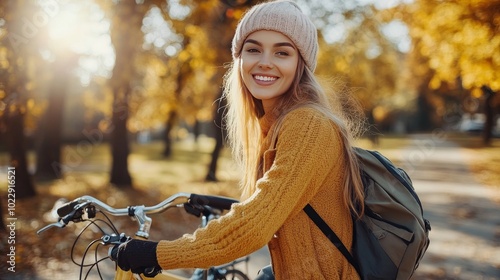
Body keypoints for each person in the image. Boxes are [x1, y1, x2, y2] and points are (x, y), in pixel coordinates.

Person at [115, 0, 366, 279]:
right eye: (253, 49)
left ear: (300, 65)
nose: (265, 62)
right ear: (240, 59)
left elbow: (256, 225)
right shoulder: (274, 126)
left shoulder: (307, 124)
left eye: (282, 52)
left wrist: (159, 254)